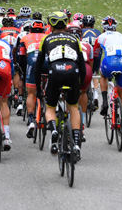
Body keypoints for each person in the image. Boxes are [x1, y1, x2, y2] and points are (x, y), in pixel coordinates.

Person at [35, 12, 85, 159]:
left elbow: (38, 68)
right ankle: (76, 143)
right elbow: (82, 66)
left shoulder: (46, 39)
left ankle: (53, 130)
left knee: (50, 107)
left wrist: (38, 89)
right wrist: (81, 85)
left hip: (55, 72)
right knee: (73, 107)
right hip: (72, 72)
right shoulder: (74, 38)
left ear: (51, 25)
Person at [95, 16, 122, 139]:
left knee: (103, 74)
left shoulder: (100, 37)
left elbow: (96, 55)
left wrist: (95, 67)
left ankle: (105, 102)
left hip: (109, 61)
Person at [22, 19, 47, 137]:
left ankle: (31, 120)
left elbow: (21, 57)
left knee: (31, 93)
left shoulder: (25, 37)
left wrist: (23, 71)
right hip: (47, 60)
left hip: (32, 61)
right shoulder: (48, 36)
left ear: (30, 29)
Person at [81, 15, 102, 109]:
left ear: (82, 25)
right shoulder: (98, 32)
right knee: (94, 73)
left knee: (85, 73)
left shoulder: (80, 32)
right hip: (96, 55)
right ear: (93, 26)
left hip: (85, 54)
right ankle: (96, 95)